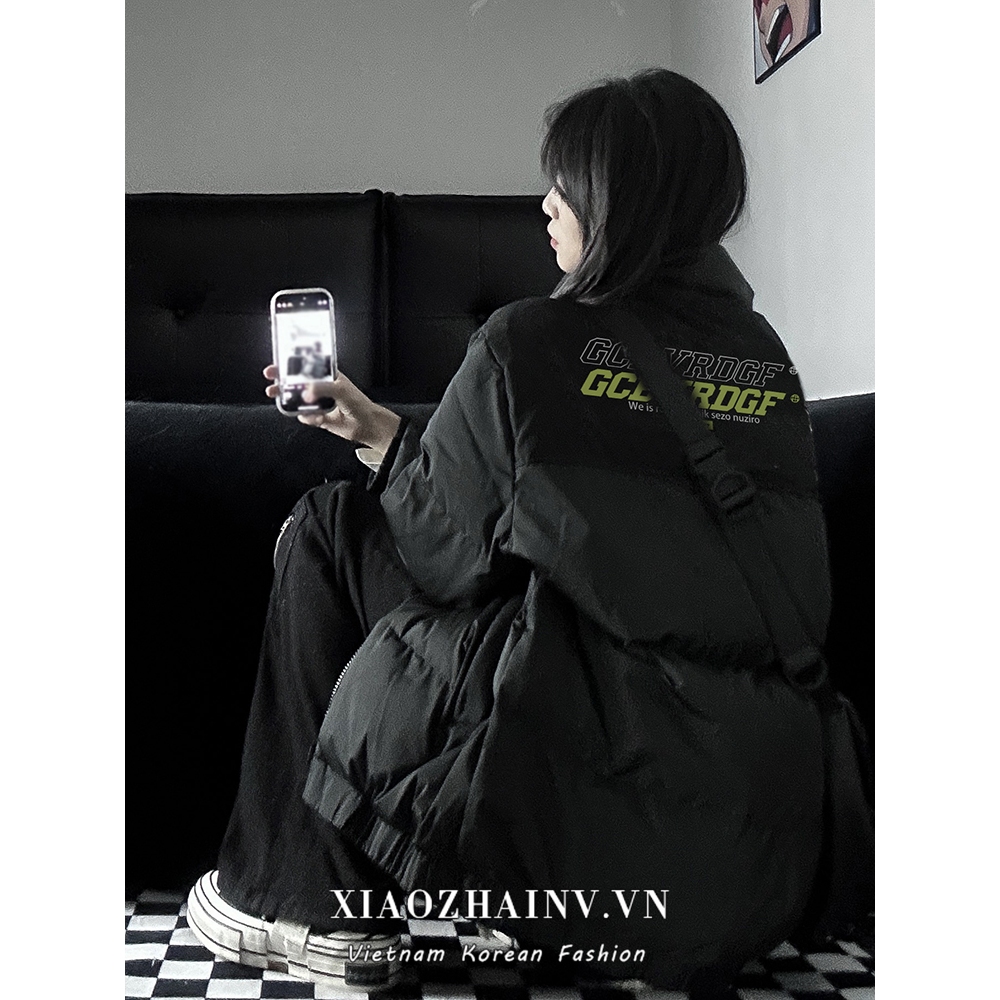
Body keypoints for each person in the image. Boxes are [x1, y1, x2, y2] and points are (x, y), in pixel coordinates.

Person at [186, 68, 870, 993]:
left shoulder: (529, 342)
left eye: (565, 182)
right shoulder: (765, 361)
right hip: (751, 832)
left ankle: (307, 899)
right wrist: (384, 430)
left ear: (618, 198)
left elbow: (444, 555)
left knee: (328, 526)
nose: (546, 203)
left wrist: (384, 453)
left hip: (574, 795)